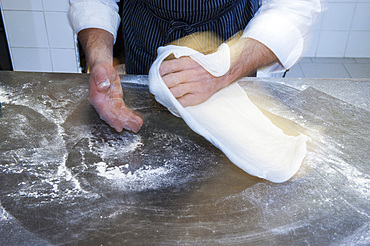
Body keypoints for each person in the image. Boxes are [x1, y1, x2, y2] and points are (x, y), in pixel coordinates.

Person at [68, 0, 321, 133]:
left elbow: (293, 6)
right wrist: (100, 59)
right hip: (147, 30)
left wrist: (227, 68)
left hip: (232, 35)